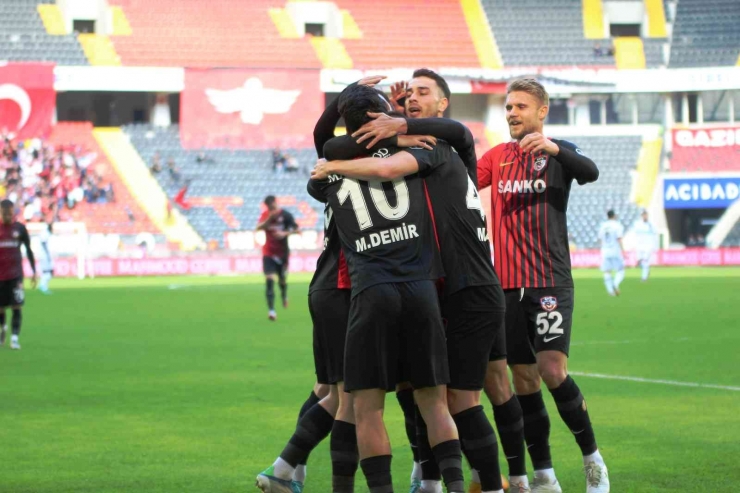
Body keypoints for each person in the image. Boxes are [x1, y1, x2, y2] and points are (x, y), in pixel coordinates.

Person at [335, 69, 526, 493]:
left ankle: (508, 481)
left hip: (470, 288)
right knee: (432, 388)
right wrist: (393, 121)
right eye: (410, 95)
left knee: (466, 396)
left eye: (425, 93)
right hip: (448, 288)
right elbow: (371, 144)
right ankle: (445, 478)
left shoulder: (444, 147)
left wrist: (396, 124)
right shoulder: (427, 146)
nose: (414, 98)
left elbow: (450, 131)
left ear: (443, 103)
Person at [308, 84, 465, 493]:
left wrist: (349, 126)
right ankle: (453, 484)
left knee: (367, 409)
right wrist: (398, 129)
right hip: (421, 290)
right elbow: (419, 147)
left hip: (371, 292)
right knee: (433, 403)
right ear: (383, 118)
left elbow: (325, 146)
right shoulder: (415, 155)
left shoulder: (328, 170)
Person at [255, 75, 387, 493]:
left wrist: (347, 95)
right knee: (348, 399)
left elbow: (319, 134)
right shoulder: (383, 159)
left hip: (326, 284)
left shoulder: (331, 162)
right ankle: (283, 469)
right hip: (348, 285)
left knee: (327, 390)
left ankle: (290, 471)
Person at [477, 78, 609, 492]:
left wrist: (555, 149)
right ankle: (545, 476)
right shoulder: (495, 158)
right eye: (508, 107)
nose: (512, 113)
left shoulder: (560, 153)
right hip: (504, 286)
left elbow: (591, 172)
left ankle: (593, 460)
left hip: (549, 281)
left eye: (520, 106)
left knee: (552, 370)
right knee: (524, 381)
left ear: (541, 111)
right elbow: (459, 173)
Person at [0, 200, 37, 349]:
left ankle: (14, 338)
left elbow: (28, 249)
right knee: (1, 309)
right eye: (4, 213)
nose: (8, 216)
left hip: (16, 276)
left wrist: (34, 271)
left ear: (13, 212)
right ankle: (3, 328)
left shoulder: (20, 229)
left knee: (17, 307)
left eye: (10, 213)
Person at [256, 196, 299, 321]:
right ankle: (271, 310)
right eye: (269, 208)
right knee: (269, 280)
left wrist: (284, 233)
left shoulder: (286, 215)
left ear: (276, 203)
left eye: (272, 207)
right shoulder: (266, 215)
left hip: (283, 253)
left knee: (282, 280)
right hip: (268, 253)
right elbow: (258, 228)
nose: (271, 210)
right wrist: (269, 219)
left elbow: (296, 229)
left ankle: (284, 295)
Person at [599, 210, 626, 297]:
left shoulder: (603, 226)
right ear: (614, 216)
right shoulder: (617, 225)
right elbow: (619, 238)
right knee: (621, 270)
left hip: (605, 251)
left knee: (607, 272)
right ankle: (615, 284)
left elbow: (600, 239)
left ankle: (610, 291)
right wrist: (623, 250)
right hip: (615, 250)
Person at [631, 210, 657, 282]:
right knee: (639, 262)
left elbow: (655, 234)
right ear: (641, 216)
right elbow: (634, 234)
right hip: (639, 246)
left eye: (646, 215)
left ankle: (644, 278)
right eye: (643, 215)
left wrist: (654, 246)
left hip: (648, 246)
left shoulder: (651, 224)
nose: (645, 216)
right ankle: (647, 270)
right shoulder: (637, 224)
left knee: (645, 261)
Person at [38, 222, 53, 294]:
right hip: (45, 256)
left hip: (45, 255)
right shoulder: (45, 233)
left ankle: (43, 286)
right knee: (47, 271)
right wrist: (47, 253)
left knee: (48, 271)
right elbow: (43, 243)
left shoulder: (47, 234)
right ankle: (43, 286)